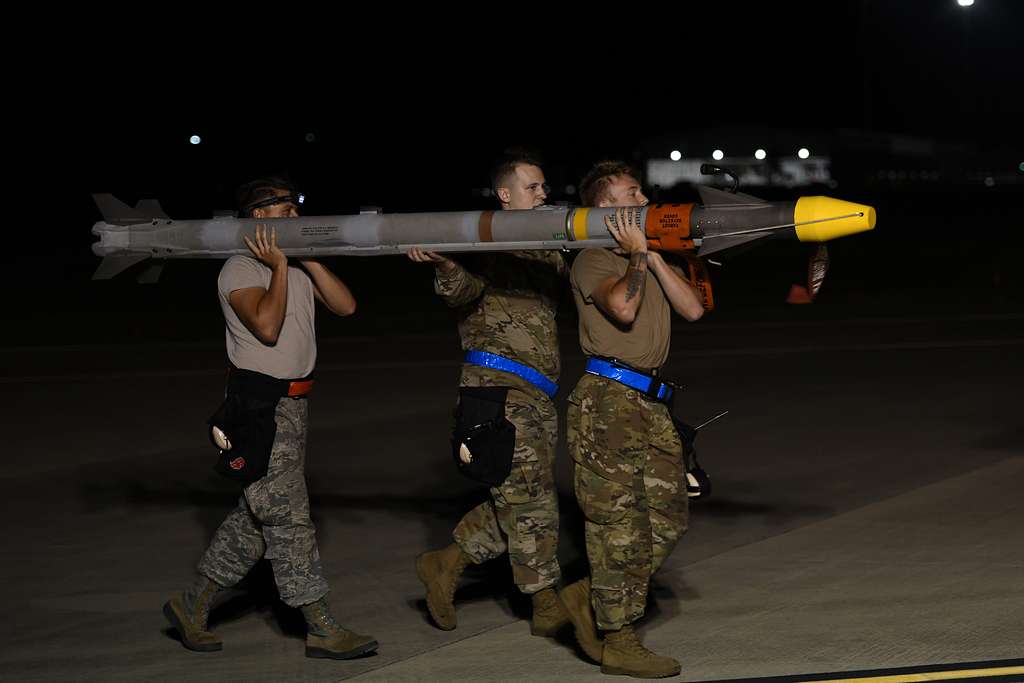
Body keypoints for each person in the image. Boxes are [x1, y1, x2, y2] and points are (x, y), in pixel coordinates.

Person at [162, 177, 378, 660]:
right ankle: (319, 625)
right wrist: (279, 266)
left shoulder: (298, 266)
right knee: (287, 518)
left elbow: (346, 306)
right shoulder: (238, 269)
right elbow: (266, 325)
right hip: (256, 406)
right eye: (286, 212)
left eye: (297, 210)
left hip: (294, 405)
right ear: (259, 218)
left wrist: (308, 259)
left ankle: (191, 604)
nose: (297, 219)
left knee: (257, 519)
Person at [408, 148, 571, 639]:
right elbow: (461, 291)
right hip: (497, 388)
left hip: (538, 390)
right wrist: (442, 263)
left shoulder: (547, 241)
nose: (544, 194)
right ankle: (544, 600)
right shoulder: (483, 237)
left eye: (545, 186)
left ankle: (447, 562)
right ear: (505, 194)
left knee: (519, 495)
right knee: (534, 498)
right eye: (533, 187)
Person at [562, 161, 704, 678]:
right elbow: (622, 308)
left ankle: (589, 595)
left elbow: (692, 311)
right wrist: (640, 256)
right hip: (608, 402)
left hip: (651, 404)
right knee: (617, 526)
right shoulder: (591, 261)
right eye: (631, 193)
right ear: (606, 209)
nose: (644, 199)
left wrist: (655, 257)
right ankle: (619, 639)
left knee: (668, 519)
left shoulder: (648, 257)